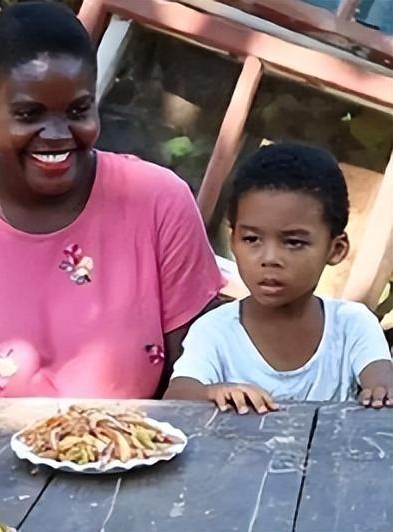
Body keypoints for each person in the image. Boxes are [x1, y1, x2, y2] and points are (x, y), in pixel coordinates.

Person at [0, 1, 224, 398]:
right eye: (28, 114)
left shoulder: (158, 202)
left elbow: (195, 387)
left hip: (138, 453)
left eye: (77, 110)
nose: (56, 134)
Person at [164, 143, 393, 413]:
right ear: (233, 240)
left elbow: (381, 381)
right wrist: (213, 393)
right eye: (251, 239)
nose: (269, 258)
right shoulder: (215, 331)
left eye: (293, 242)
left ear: (336, 249)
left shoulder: (352, 326)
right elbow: (176, 396)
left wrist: (381, 392)